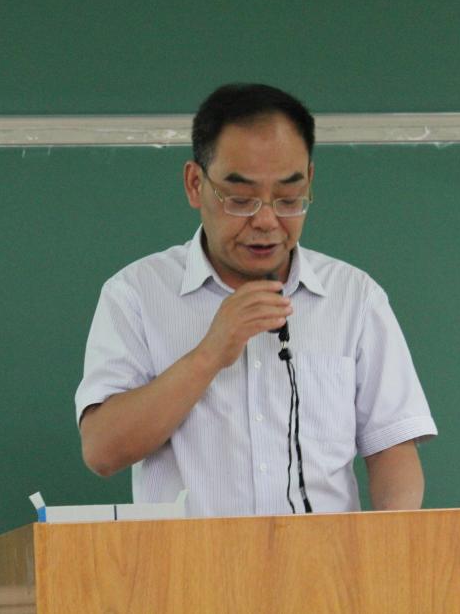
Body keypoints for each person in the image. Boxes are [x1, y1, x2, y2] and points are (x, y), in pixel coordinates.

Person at [75, 83, 437, 517]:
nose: (266, 221)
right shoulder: (136, 293)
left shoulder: (355, 297)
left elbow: (392, 449)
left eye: (288, 199)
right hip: (190, 561)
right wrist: (210, 353)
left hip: (327, 561)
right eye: (241, 200)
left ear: (310, 182)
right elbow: (103, 451)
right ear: (195, 184)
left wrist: (393, 541)